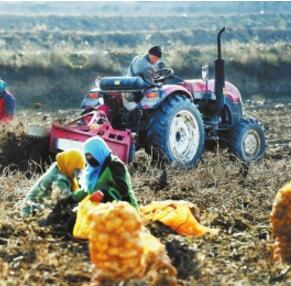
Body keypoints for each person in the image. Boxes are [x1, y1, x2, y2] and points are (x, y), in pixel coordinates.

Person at [71, 136, 138, 208]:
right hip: (105, 209)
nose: (88, 159)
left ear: (97, 151)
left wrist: (104, 193)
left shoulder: (115, 165)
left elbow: (122, 189)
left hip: (125, 209)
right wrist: (71, 198)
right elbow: (88, 190)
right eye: (87, 157)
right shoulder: (95, 169)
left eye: (90, 156)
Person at [22, 149, 86, 217]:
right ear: (70, 164)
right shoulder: (59, 179)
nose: (76, 175)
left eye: (79, 172)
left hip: (39, 206)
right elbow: (68, 200)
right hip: (32, 211)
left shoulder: (61, 167)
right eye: (76, 170)